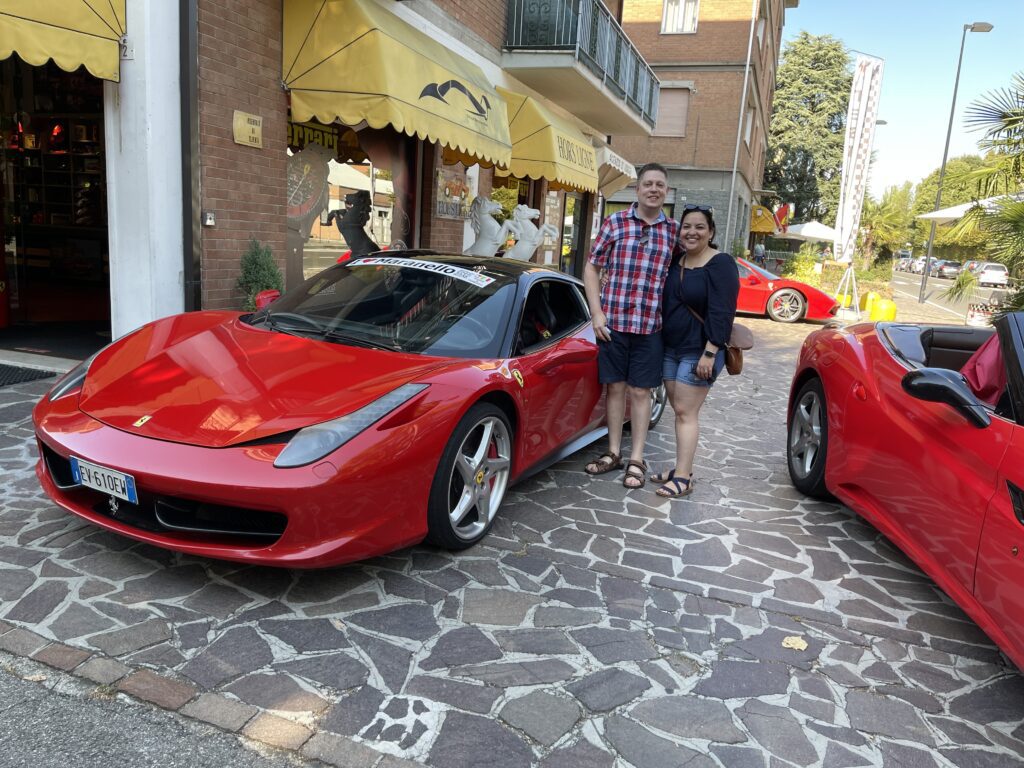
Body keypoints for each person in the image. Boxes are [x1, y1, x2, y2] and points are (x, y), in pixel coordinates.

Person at [582, 163, 679, 489]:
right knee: (615, 390)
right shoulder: (615, 223)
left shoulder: (673, 232)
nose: (654, 189)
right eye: (648, 184)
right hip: (614, 324)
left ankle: (636, 458)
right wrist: (596, 314)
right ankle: (613, 453)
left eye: (660, 185)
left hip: (651, 326)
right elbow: (592, 268)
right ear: (637, 190)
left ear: (666, 192)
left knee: (641, 392)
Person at [652, 204, 739, 498]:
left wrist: (711, 351)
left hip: (699, 351)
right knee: (679, 411)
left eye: (700, 227)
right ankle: (681, 468)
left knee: (686, 413)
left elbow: (723, 311)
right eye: (687, 226)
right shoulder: (676, 260)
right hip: (671, 348)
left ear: (711, 232)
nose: (692, 232)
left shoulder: (721, 263)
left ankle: (683, 478)